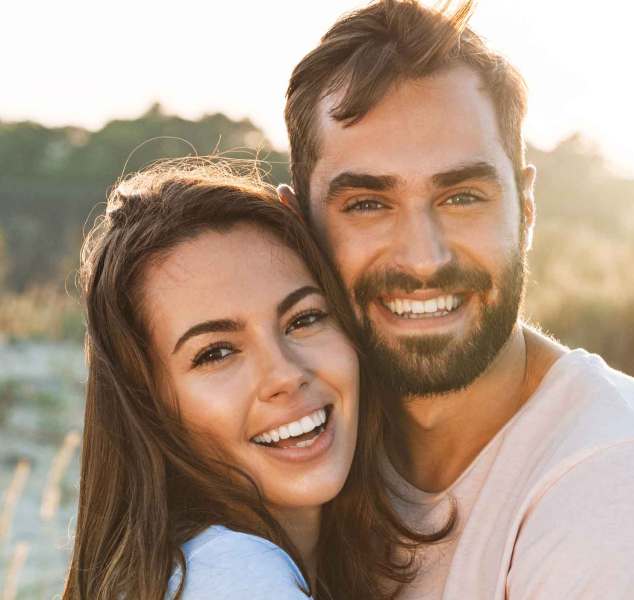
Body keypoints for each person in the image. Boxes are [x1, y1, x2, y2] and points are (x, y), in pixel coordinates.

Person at [280, 0, 634, 597]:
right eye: (368, 204)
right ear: (297, 226)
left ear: (526, 209)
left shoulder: (623, 494)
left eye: (462, 197)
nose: (424, 258)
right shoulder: (306, 446)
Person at [63, 161, 450, 600]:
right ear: (149, 404)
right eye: (217, 352)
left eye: (304, 319)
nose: (284, 374)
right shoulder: (236, 576)